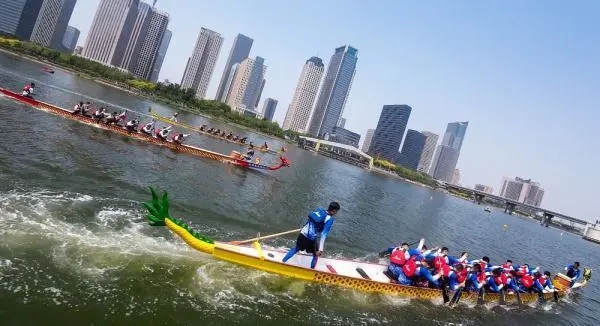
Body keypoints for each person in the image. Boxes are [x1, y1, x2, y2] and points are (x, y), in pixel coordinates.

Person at [282, 202, 341, 269]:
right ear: (334, 211)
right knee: (316, 255)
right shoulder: (330, 219)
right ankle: (312, 270)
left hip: (303, 233)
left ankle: (283, 262)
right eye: (336, 212)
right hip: (311, 238)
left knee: (296, 249)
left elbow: (309, 220)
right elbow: (323, 234)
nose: (336, 213)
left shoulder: (319, 210)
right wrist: (321, 249)